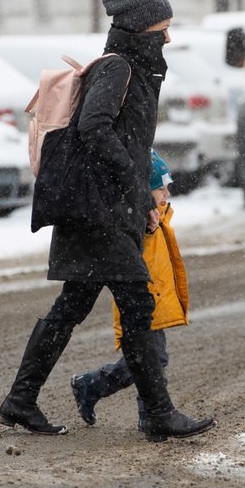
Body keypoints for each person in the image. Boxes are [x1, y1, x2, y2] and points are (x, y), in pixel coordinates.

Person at [0, 0, 215, 442]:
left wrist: (145, 191)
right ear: (141, 30)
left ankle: (20, 400)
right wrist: (134, 186)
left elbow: (133, 142)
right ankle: (157, 412)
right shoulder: (117, 69)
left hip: (104, 208)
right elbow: (94, 127)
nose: (168, 39)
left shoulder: (132, 69)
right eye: (163, 29)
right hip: (98, 211)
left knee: (72, 306)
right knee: (138, 303)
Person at [70, 150, 187, 429]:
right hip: (141, 299)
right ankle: (92, 385)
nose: (166, 194)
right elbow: (139, 243)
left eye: (168, 188)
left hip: (154, 298)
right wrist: (146, 224)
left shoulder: (161, 217)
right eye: (161, 188)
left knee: (150, 358)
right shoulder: (141, 222)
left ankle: (147, 413)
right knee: (151, 358)